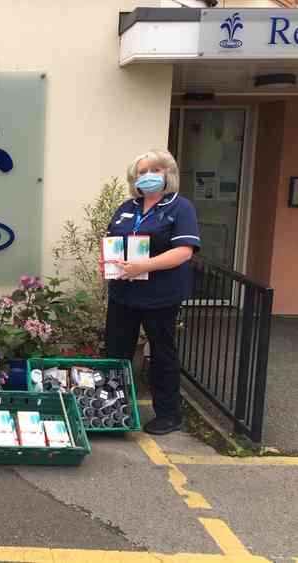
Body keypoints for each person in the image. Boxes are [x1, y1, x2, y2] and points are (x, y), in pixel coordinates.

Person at [104, 149, 200, 435]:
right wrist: (112, 265)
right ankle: (113, 408)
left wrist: (143, 266)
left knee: (162, 354)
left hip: (160, 295)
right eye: (141, 172)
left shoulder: (180, 208)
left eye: (154, 170)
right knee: (116, 352)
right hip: (123, 293)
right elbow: (111, 242)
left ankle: (169, 414)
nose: (147, 177)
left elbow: (183, 251)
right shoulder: (127, 208)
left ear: (167, 174)